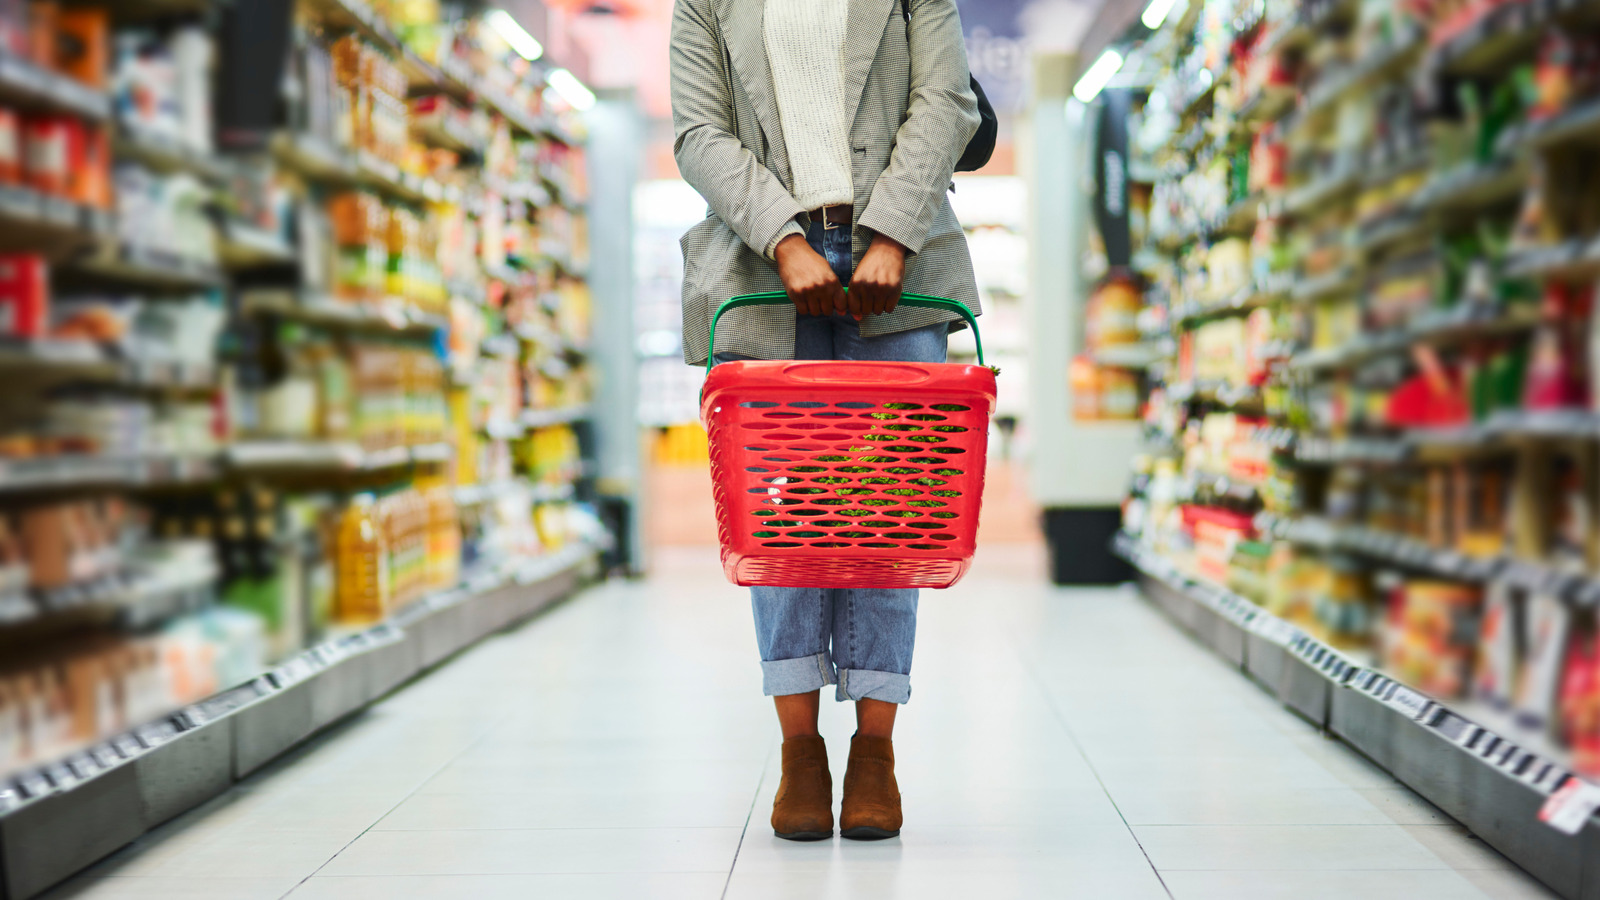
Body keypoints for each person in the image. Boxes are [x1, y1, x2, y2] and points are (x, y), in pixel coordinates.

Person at [669, 0, 981, 842]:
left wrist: (891, 231)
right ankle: (800, 751)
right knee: (784, 521)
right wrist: (782, 237)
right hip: (761, 264)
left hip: (901, 263)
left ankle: (875, 752)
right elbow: (700, 133)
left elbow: (946, 100)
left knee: (891, 516)